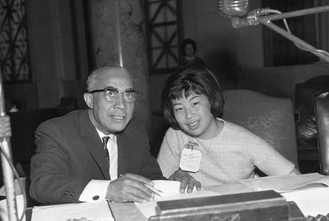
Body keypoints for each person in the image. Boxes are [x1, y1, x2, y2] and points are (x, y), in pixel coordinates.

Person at [30, 65, 166, 205]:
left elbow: (152, 179)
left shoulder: (135, 132)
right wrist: (108, 190)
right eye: (111, 93)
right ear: (90, 100)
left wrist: (177, 185)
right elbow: (43, 185)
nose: (122, 104)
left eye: (128, 95)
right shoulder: (57, 131)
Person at [157, 64, 300, 190]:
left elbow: (295, 178)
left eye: (195, 103)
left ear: (211, 100)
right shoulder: (175, 136)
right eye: (179, 109)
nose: (188, 115)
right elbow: (158, 184)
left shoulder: (244, 140)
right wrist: (173, 179)